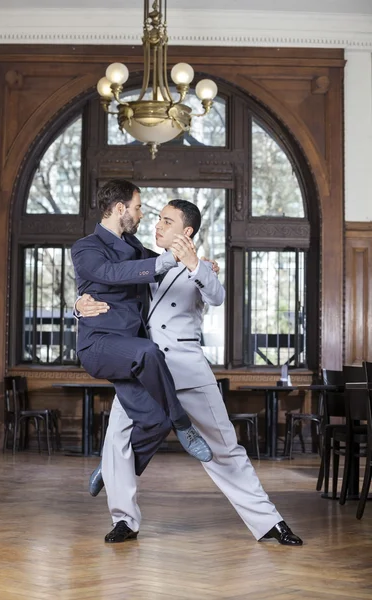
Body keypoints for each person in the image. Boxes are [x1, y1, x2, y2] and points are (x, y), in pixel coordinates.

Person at [78, 199, 303, 546]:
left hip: (188, 369)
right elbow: (105, 290)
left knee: (224, 449)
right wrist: (78, 306)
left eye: (167, 222)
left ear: (186, 232)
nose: (157, 226)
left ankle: (270, 522)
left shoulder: (202, 269)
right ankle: (124, 520)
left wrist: (196, 264)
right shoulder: (140, 262)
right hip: (145, 370)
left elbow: (216, 296)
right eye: (157, 220)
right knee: (116, 443)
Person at [71, 179, 212, 477]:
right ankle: (183, 425)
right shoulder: (86, 247)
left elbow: (163, 265)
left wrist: (196, 263)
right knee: (149, 351)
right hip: (100, 345)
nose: (142, 215)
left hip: (130, 352)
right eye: (137, 208)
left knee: (154, 423)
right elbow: (110, 273)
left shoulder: (133, 246)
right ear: (120, 209)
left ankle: (111, 471)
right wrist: (76, 306)